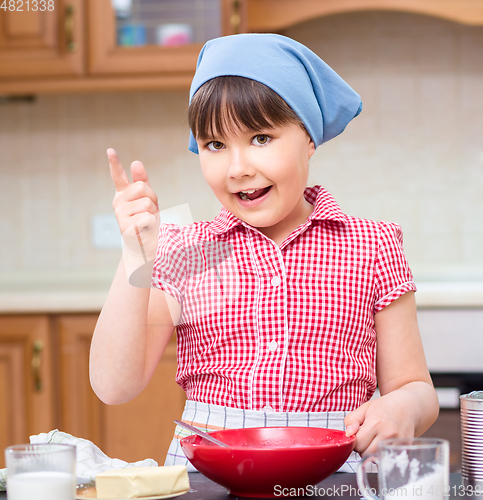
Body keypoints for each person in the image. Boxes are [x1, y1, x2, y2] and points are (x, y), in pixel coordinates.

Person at [89, 33, 439, 472]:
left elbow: (416, 387)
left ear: (309, 139)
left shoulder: (371, 244)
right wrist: (134, 253)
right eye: (215, 145)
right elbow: (113, 386)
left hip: (336, 474)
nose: (238, 168)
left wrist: (403, 406)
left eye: (260, 138)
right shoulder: (187, 248)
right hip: (208, 479)